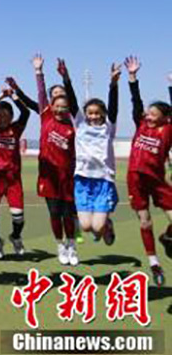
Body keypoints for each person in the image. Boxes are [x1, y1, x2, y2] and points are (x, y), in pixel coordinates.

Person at [8, 65, 78, 266]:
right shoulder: (46, 115)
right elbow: (39, 94)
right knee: (55, 213)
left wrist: (66, 78)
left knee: (68, 215)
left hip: (67, 177)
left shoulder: (73, 125)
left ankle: (72, 245)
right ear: (51, 105)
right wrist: (38, 72)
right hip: (48, 177)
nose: (60, 109)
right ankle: (60, 246)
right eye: (57, 105)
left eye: (64, 106)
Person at [124, 56, 172, 287]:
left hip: (157, 181)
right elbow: (136, 101)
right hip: (135, 179)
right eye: (148, 112)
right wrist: (132, 77)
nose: (148, 115)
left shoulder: (168, 130)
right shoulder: (140, 124)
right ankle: (154, 263)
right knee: (145, 222)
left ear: (164, 117)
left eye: (153, 113)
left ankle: (167, 237)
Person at [67, 61, 121, 250]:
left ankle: (107, 224)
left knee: (97, 227)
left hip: (103, 181)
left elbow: (114, 107)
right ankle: (102, 224)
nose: (93, 116)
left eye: (97, 113)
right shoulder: (79, 125)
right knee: (85, 226)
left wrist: (113, 84)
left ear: (103, 114)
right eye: (90, 113)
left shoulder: (109, 128)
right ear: (85, 114)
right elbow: (72, 101)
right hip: (82, 180)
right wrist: (66, 78)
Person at [0, 84, 31, 260]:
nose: (2, 117)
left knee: (18, 217)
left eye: (5, 114)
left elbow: (26, 113)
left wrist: (13, 97)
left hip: (13, 180)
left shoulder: (16, 129)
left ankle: (15, 236)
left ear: (11, 116)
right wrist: (0, 96)